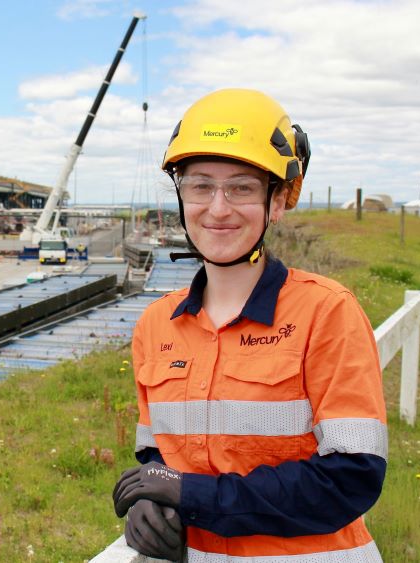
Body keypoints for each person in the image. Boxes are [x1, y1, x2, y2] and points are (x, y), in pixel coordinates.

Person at [113, 89, 387, 562]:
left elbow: (350, 478)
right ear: (181, 197)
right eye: (200, 186)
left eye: (241, 187)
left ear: (277, 201)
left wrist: (189, 494)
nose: (218, 209)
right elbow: (155, 458)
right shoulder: (156, 325)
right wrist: (147, 498)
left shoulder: (327, 312)